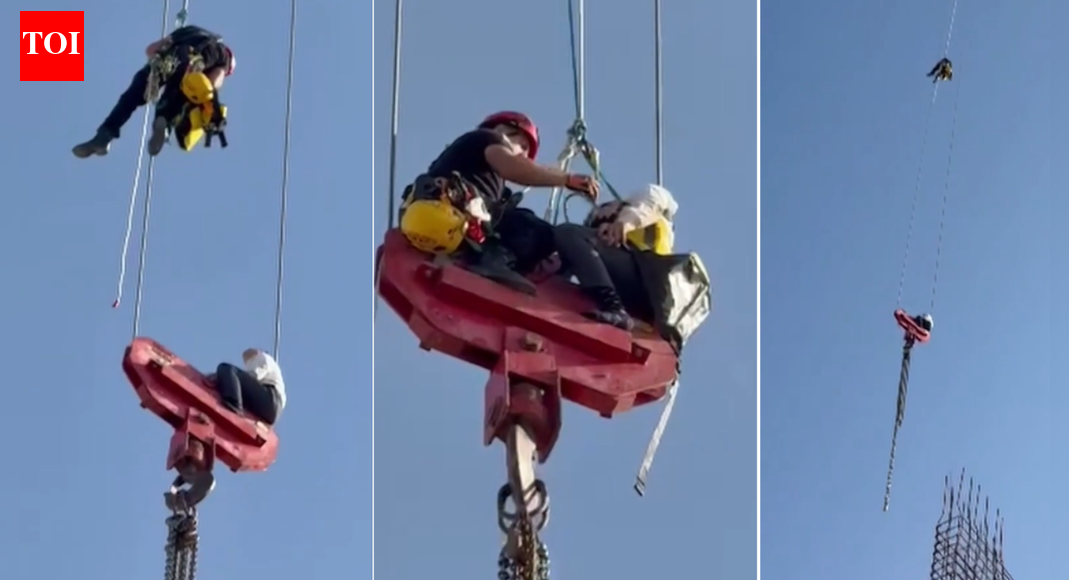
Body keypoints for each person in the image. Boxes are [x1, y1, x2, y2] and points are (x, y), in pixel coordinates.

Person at [398, 111, 600, 294]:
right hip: (451, 212)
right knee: (536, 229)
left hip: (440, 222)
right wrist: (566, 179)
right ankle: (494, 262)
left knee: (513, 220)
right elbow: (512, 167)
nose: (523, 154)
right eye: (522, 146)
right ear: (504, 131)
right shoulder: (487, 138)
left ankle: (490, 260)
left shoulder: (478, 172)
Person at [72, 24, 235, 159]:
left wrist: (155, 62)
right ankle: (164, 124)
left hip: (168, 56)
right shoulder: (222, 57)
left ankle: (104, 135)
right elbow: (211, 85)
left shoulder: (187, 30)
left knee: (131, 97)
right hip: (191, 61)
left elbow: (151, 49)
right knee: (178, 91)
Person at [552, 183, 680, 331]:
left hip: (647, 280)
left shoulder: (646, 199)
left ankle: (615, 308)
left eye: (601, 212)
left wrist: (624, 223)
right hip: (638, 294)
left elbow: (649, 203)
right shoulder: (609, 255)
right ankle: (616, 308)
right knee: (571, 242)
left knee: (570, 233)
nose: (599, 217)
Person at [212, 348, 286, 425]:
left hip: (270, 398)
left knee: (227, 369)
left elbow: (254, 374)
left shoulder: (263, 357)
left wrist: (222, 377)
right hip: (272, 409)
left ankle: (233, 405)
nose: (247, 363)